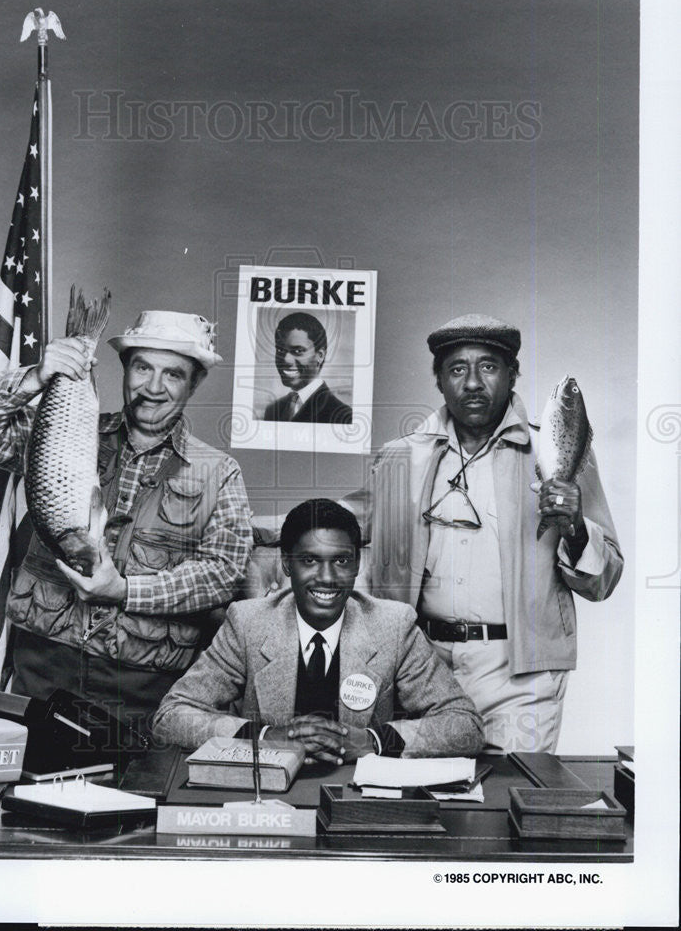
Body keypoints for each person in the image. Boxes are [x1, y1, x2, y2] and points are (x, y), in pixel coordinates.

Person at [0, 309, 253, 735]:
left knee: (132, 800)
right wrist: (35, 378)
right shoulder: (63, 430)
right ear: (125, 369)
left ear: (195, 382)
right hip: (43, 670)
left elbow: (222, 576)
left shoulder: (220, 473)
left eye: (173, 374)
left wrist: (125, 592)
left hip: (141, 691)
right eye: (142, 367)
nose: (153, 387)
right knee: (30, 798)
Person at [342, 313, 623, 753]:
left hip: (520, 673)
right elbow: (337, 528)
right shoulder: (402, 456)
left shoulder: (557, 451)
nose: (473, 382)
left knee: (508, 803)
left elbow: (604, 579)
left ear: (512, 374)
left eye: (488, 366)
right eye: (457, 369)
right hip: (420, 664)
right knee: (419, 800)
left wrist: (574, 527)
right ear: (439, 380)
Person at [154, 499, 484, 761]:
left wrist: (373, 741)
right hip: (267, 799)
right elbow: (170, 717)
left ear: (356, 564)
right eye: (309, 561)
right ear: (287, 564)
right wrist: (265, 738)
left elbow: (464, 725)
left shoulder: (394, 626)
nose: (326, 577)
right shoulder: (247, 622)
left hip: (355, 802)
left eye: (341, 561)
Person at [261, 312, 352, 424]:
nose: (285, 359)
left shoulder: (342, 416)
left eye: (298, 351)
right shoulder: (272, 410)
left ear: (320, 356)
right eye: (280, 350)